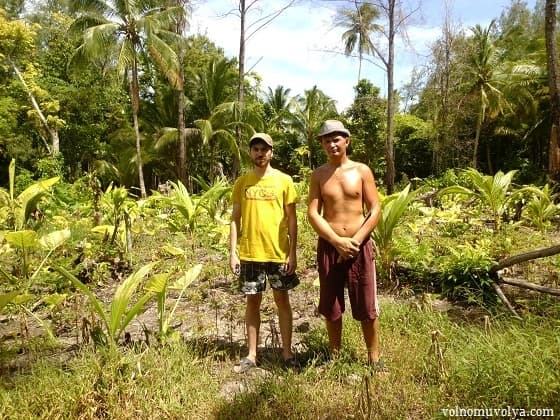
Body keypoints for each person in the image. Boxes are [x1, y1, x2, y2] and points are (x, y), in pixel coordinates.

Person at [307, 120, 384, 369]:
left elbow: (375, 208)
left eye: (336, 139)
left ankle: (374, 358)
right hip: (330, 247)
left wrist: (356, 240)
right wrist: (336, 241)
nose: (332, 144)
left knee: (366, 303)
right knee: (331, 304)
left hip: (359, 247)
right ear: (322, 144)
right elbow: (313, 213)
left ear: (347, 141)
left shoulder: (362, 171)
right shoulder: (319, 175)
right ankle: (335, 356)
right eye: (326, 140)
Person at [229, 132, 300, 372]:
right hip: (250, 253)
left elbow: (292, 220)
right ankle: (251, 355)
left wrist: (293, 252)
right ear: (250, 153)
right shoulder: (242, 182)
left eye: (264, 149)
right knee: (252, 302)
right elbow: (234, 220)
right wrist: (233, 252)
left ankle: (288, 353)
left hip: (278, 253)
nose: (260, 153)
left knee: (282, 300)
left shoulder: (284, 181)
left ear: (272, 152)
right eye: (255, 149)